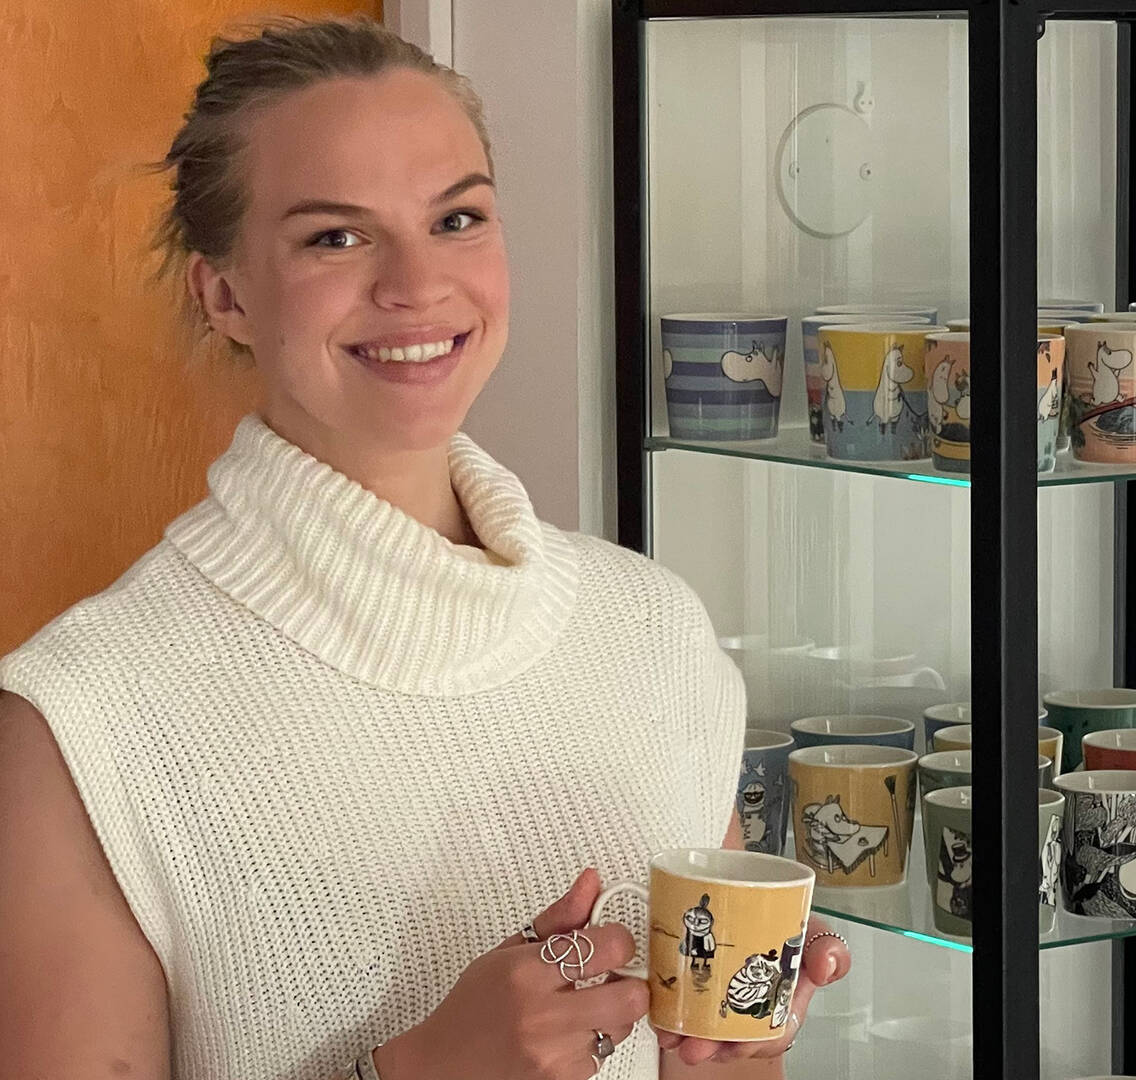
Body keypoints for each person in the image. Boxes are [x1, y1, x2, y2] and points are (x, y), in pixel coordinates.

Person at [0, 15, 849, 1080]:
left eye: (456, 218)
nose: (416, 284)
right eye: (335, 237)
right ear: (225, 295)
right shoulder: (83, 724)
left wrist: (727, 1053)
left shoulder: (657, 633)